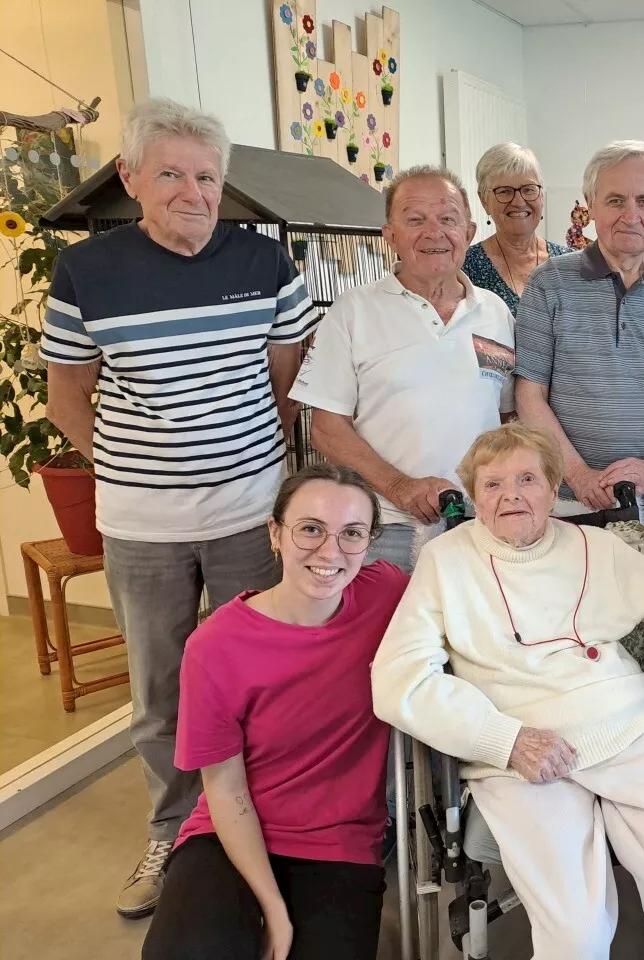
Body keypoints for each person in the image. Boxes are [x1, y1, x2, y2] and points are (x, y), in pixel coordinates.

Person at [40, 98, 319, 917]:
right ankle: (175, 831)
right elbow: (67, 399)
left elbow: (286, 381)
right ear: (129, 178)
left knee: (261, 680)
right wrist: (137, 468)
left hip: (247, 514)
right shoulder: (86, 273)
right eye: (169, 174)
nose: (192, 192)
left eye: (205, 176)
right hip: (141, 527)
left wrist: (229, 460)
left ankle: (266, 826)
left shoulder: (266, 263)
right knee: (161, 690)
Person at [372, 423, 644, 959]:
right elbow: (397, 679)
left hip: (630, 731)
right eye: (493, 484)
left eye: (527, 478)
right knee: (576, 932)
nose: (511, 495)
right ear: (475, 497)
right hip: (520, 753)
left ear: (553, 488)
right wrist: (504, 740)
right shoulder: (446, 561)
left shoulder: (597, 546)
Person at [141, 464, 409, 960]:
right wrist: (274, 913)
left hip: (339, 842)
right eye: (310, 529)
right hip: (230, 833)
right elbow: (224, 787)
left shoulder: (386, 592)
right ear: (274, 534)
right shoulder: (216, 646)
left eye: (351, 534)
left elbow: (469, 589)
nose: (330, 552)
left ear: (369, 543)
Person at [289, 165, 515, 572]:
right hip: (384, 530)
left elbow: (506, 415)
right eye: (415, 220)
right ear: (389, 235)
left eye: (447, 219)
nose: (434, 233)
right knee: (385, 636)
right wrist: (400, 487)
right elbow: (325, 427)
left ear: (468, 232)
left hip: (482, 528)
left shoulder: (496, 313)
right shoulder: (354, 311)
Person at [515, 140, 644, 582]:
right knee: (578, 641)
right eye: (615, 200)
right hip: (572, 510)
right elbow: (530, 396)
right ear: (589, 206)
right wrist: (580, 475)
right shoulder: (548, 285)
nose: (631, 214)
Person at [463, 142, 570, 314]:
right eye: (504, 191)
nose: (519, 202)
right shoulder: (464, 268)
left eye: (528, 190)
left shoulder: (570, 264)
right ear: (484, 200)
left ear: (541, 196)